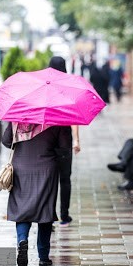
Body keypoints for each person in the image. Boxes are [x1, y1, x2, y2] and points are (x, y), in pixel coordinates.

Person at [2, 122, 71, 266]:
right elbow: (65, 146)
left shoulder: (18, 117)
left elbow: (6, 141)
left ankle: (22, 240)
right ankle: (43, 256)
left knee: (22, 208)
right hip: (47, 169)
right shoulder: (57, 117)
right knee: (45, 209)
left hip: (21, 168)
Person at [48, 56, 80, 226]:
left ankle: (49, 216)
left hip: (46, 142)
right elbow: (74, 118)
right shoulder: (69, 89)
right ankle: (64, 216)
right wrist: (76, 140)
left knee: (49, 180)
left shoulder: (45, 88)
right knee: (65, 179)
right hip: (64, 142)